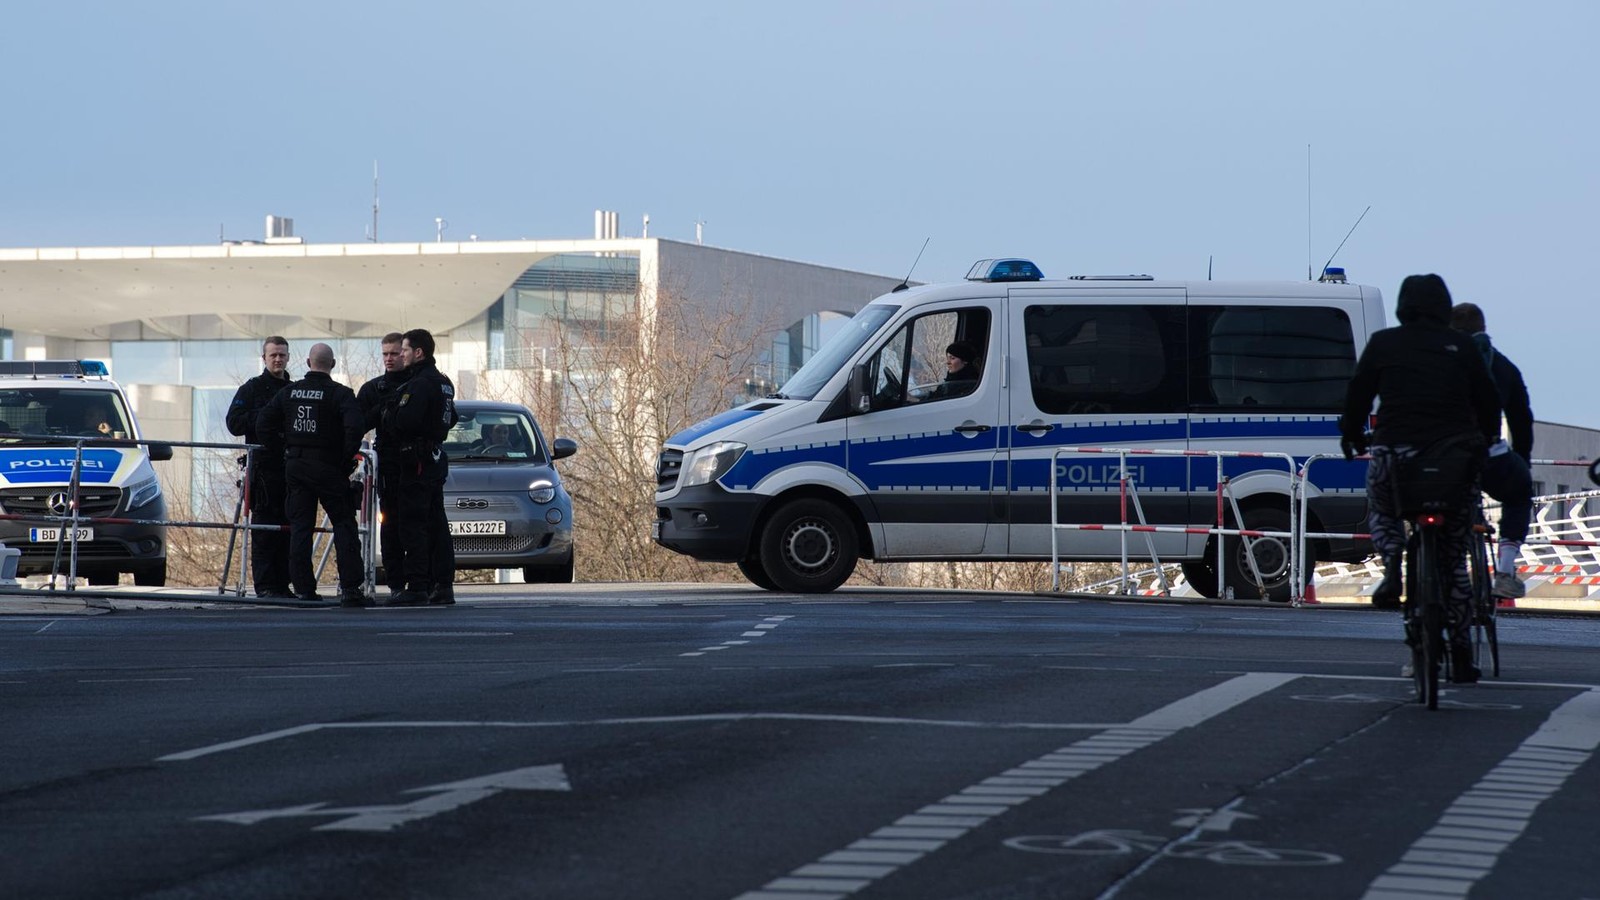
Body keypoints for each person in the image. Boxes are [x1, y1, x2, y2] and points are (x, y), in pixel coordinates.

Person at [1340, 274, 1500, 683]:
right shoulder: (1462, 346)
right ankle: (1462, 654)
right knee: (1454, 559)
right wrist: (1484, 443)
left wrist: (1351, 435)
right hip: (1453, 459)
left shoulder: (1384, 344)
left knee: (1381, 500)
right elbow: (1488, 400)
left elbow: (1358, 394)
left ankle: (1393, 564)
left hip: (1398, 454)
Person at [257, 343, 369, 606]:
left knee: (300, 528)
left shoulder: (288, 393)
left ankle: (305, 590)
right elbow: (356, 429)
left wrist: (283, 450)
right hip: (329, 467)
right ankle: (351, 589)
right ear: (332, 365)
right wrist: (343, 461)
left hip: (296, 467)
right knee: (343, 524)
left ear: (308, 363)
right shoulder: (340, 394)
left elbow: (263, 424)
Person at [1450, 302, 1534, 600]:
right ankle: (1505, 571)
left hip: (1441, 457)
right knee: (1519, 493)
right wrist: (1522, 462)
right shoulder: (1503, 366)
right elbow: (1521, 420)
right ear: (1484, 329)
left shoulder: (1434, 362)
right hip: (1491, 458)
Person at [384, 328, 458, 606]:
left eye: (403, 350)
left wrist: (392, 413)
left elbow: (405, 421)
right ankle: (443, 585)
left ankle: (417, 586)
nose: (400, 355)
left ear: (418, 352)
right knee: (437, 523)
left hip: (416, 461)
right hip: (435, 460)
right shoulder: (444, 382)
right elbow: (452, 418)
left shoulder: (419, 384)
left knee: (413, 524)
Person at [225, 336, 293, 598]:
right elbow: (234, 423)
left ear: (288, 358)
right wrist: (266, 417)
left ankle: (283, 584)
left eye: (282, 355)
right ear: (264, 358)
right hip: (263, 471)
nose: (278, 359)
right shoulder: (251, 389)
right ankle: (265, 586)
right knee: (264, 530)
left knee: (287, 530)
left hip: (289, 469)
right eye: (273, 355)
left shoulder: (293, 390)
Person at [356, 332, 407, 599]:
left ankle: (427, 582)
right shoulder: (373, 389)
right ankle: (397, 583)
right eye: (385, 354)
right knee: (390, 526)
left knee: (420, 525)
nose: (389, 359)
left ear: (406, 353)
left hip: (417, 465)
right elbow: (356, 424)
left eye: (394, 353)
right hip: (388, 464)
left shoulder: (420, 384)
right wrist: (381, 410)